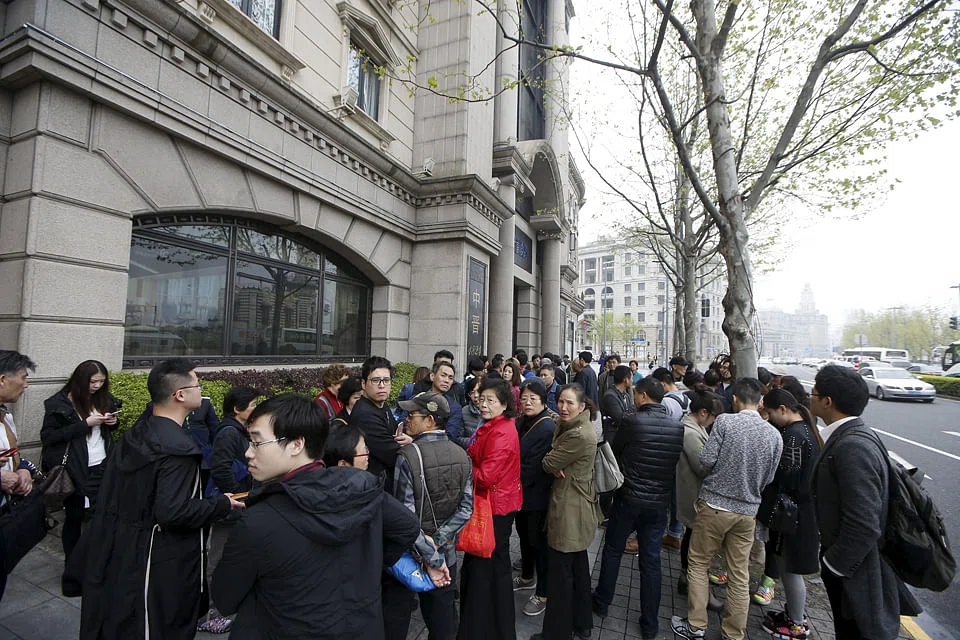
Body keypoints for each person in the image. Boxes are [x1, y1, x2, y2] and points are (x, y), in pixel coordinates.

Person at [211, 394, 420, 639]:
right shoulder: (363, 490)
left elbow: (225, 598)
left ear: (296, 445)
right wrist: (369, 565)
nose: (248, 452)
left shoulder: (258, 521)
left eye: (257, 442)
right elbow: (408, 527)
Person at [76, 358, 244, 639]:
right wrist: (221, 504)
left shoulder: (139, 432)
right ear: (180, 395)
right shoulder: (179, 449)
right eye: (197, 385)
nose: (201, 391)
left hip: (122, 552)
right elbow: (173, 511)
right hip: (158, 565)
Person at [810, 365, 916, 640]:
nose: (810, 398)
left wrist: (833, 565)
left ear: (827, 402)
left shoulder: (852, 446)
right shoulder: (853, 435)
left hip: (857, 573)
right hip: (854, 568)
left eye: (814, 394)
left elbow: (865, 523)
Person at [671, 378, 783, 640]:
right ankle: (733, 633)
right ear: (761, 401)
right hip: (748, 511)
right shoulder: (774, 435)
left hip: (715, 505)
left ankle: (696, 625)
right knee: (740, 574)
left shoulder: (725, 422)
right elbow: (769, 478)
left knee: (699, 564)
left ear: (735, 399)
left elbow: (706, 460)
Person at [592, 376, 683, 640]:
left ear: (643, 396)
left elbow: (616, 454)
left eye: (636, 394)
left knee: (612, 550)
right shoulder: (678, 427)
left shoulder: (633, 422)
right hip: (658, 504)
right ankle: (650, 623)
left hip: (628, 498)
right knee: (651, 561)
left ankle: (602, 601)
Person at [385, 391, 474, 640]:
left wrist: (429, 552)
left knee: (397, 620)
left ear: (430, 420)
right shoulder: (462, 455)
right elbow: (466, 508)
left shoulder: (407, 457)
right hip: (447, 556)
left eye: (412, 415)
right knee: (443, 623)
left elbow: (406, 518)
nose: (407, 419)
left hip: (413, 557)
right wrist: (438, 542)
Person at [753, 387, 823, 639]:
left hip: (792, 515)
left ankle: (796, 624)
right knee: (788, 568)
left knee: (790, 570)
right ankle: (794, 616)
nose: (769, 419)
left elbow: (785, 477)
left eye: (770, 413)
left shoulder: (794, 436)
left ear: (782, 409)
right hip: (800, 513)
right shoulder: (807, 429)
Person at [532, 384, 600, 640]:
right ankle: (582, 623)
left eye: (570, 403)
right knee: (578, 567)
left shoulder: (579, 435)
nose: (563, 407)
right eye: (560, 401)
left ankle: (556, 633)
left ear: (582, 406)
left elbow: (548, 462)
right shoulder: (574, 426)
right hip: (577, 504)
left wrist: (551, 460)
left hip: (569, 509)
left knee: (560, 575)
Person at [40, 361, 120, 576]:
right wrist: (85, 425)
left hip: (102, 464)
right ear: (80, 380)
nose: (97, 386)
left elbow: (108, 430)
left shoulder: (103, 399)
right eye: (93, 381)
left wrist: (112, 422)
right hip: (75, 468)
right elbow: (49, 437)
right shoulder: (59, 403)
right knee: (74, 517)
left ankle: (97, 565)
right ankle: (73, 569)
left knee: (101, 516)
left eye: (101, 382)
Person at [458, 377, 522, 640]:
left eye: (490, 400)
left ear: (504, 404)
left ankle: (479, 629)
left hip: (494, 508)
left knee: (485, 572)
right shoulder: (492, 425)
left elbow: (485, 477)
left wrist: (463, 465)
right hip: (494, 504)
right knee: (493, 569)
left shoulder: (501, 432)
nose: (483, 404)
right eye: (481, 399)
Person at [200, 385, 260, 633]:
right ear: (237, 408)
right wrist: (237, 495)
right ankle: (211, 613)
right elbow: (221, 468)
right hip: (229, 506)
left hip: (237, 504)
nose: (256, 409)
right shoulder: (228, 433)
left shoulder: (239, 431)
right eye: (253, 405)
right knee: (217, 559)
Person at [675, 387, 724, 596]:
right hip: (692, 491)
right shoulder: (690, 432)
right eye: (713, 417)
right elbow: (702, 466)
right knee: (693, 535)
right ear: (703, 413)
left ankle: (686, 576)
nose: (713, 422)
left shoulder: (695, 428)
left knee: (691, 534)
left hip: (694, 490)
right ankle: (688, 577)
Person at [513, 379, 556, 617]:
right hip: (520, 495)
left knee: (538, 544)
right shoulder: (521, 421)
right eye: (524, 398)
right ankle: (527, 576)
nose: (528, 402)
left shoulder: (546, 427)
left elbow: (533, 468)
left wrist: (507, 477)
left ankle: (543, 593)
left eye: (533, 398)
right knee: (524, 537)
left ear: (543, 401)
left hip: (537, 496)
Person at [0, 351, 41, 600]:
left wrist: (23, 469)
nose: (26, 385)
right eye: (24, 377)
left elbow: (13, 453)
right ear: (3, 379)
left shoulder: (5, 415)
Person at [349, 356, 411, 492]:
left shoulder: (382, 405)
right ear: (363, 384)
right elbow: (393, 454)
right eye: (375, 380)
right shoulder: (364, 414)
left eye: (386, 380)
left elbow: (395, 435)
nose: (382, 385)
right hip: (374, 486)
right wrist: (412, 444)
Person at [427, 360, 463, 440]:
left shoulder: (454, 407)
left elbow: (451, 435)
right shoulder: (417, 399)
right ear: (432, 376)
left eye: (450, 378)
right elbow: (405, 423)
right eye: (443, 375)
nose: (447, 380)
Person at [458, 376, 483, 448]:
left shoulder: (494, 411)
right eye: (472, 393)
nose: (476, 396)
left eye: (478, 391)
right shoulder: (464, 412)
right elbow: (458, 438)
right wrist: (474, 442)